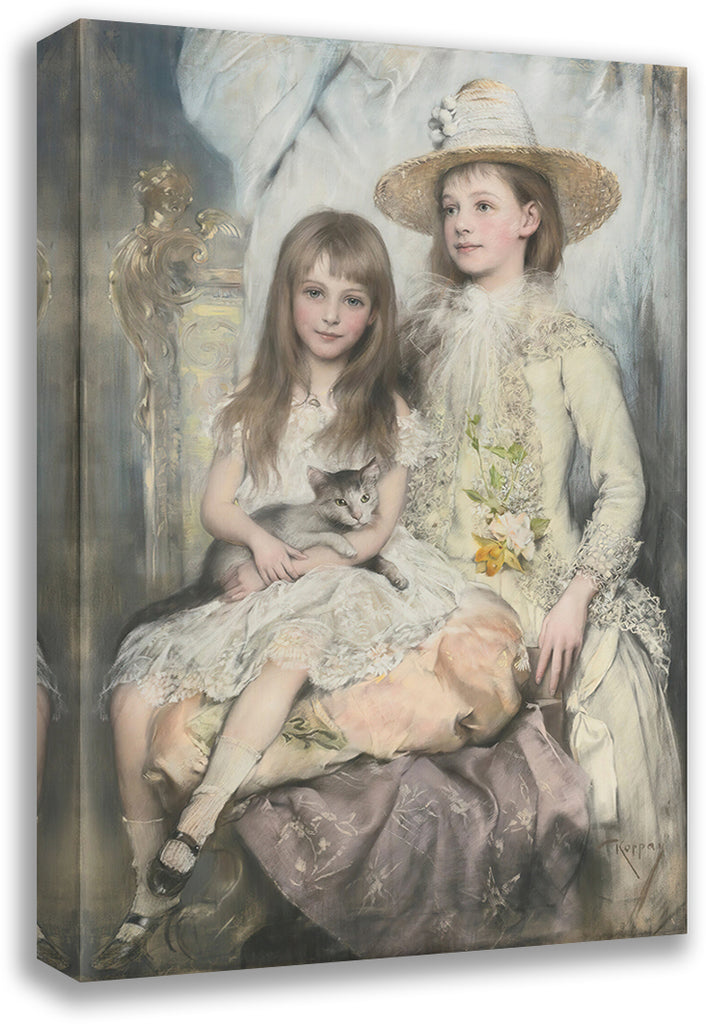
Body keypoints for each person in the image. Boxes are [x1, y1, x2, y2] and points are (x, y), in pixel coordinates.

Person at [93, 209, 501, 970]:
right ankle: (147, 886)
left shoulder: (386, 413)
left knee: (292, 647)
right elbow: (218, 507)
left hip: (338, 573)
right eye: (315, 293)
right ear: (287, 298)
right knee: (131, 696)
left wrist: (309, 565)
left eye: (353, 300)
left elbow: (375, 533)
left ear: (375, 313)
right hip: (266, 561)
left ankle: (199, 820)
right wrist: (259, 543)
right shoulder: (256, 400)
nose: (331, 315)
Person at [374, 78, 686, 938]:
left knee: (603, 709)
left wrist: (579, 595)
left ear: (529, 218)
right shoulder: (421, 340)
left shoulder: (570, 343)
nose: (462, 224)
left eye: (483, 205)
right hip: (431, 585)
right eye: (450, 208)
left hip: (540, 590)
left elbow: (624, 485)